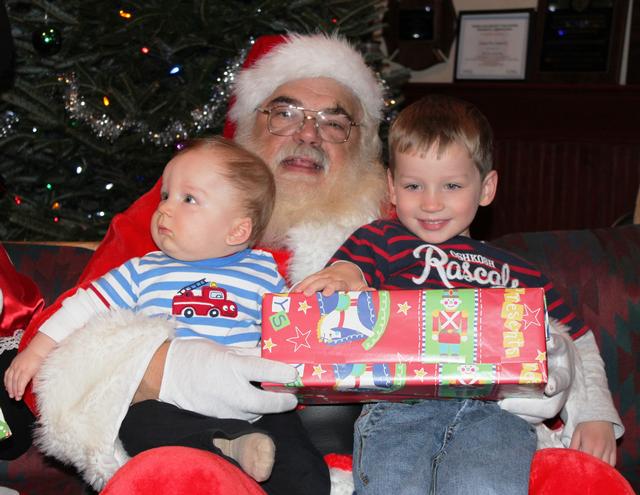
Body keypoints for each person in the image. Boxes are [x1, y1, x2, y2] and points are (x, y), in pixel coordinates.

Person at [12, 33, 388, 493]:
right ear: (248, 124)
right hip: (173, 440)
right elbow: (53, 362)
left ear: (361, 145)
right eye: (284, 114)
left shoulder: (391, 231)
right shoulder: (172, 213)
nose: (308, 134)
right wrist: (160, 368)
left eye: (334, 122)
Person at [296, 95, 624, 494]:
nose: (431, 202)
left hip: (497, 413)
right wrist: (344, 275)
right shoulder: (380, 240)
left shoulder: (517, 271)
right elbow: (344, 275)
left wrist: (595, 416)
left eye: (452, 185)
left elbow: (576, 340)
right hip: (400, 408)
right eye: (414, 185)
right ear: (391, 188)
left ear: (486, 188)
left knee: (483, 486)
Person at [4, 136, 301, 484]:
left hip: (245, 399)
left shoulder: (262, 271)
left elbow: (289, 323)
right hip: (170, 401)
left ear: (237, 230)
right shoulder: (143, 269)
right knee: (132, 423)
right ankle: (222, 446)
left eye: (188, 199)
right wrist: (37, 350)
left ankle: (290, 473)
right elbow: (85, 304)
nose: (165, 208)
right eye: (165, 195)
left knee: (295, 447)